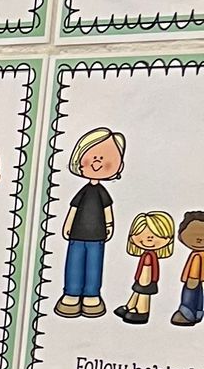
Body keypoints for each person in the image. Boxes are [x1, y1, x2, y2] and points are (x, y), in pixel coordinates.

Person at [56, 125, 125, 317]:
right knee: (74, 263)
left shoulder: (103, 192)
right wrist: (67, 225)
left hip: (97, 236)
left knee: (94, 264)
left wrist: (110, 225)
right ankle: (71, 294)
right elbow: (73, 209)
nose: (98, 161)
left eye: (107, 158)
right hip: (77, 235)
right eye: (93, 155)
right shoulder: (83, 191)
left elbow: (107, 210)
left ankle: (91, 296)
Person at [115, 209, 174, 322]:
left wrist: (144, 281)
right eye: (142, 233)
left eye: (156, 235)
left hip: (146, 280)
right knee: (137, 292)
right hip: (141, 279)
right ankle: (130, 306)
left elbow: (147, 269)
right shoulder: (146, 254)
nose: (149, 238)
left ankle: (142, 312)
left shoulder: (149, 256)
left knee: (143, 294)